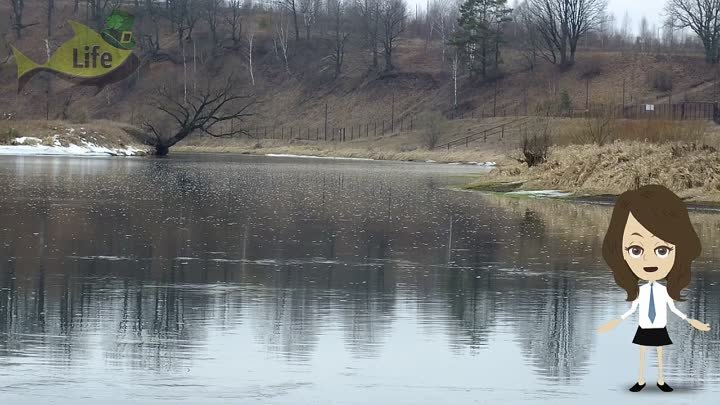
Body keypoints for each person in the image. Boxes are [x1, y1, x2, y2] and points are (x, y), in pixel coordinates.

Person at [597, 184, 710, 393]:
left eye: (661, 249)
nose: (649, 260)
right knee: (642, 352)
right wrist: (613, 323)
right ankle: (640, 380)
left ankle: (660, 380)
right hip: (643, 327)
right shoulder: (640, 292)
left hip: (659, 327)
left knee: (658, 352)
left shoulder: (663, 291)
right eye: (636, 249)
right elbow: (630, 311)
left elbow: (674, 310)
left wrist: (693, 322)